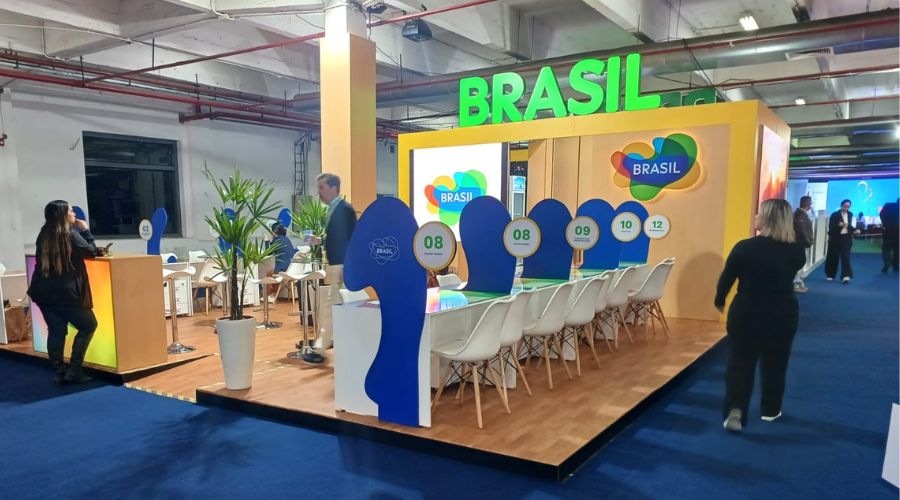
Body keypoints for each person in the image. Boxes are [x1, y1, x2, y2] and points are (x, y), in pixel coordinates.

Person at [715, 199, 806, 433]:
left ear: (767, 218)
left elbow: (727, 278)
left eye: (759, 213)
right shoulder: (796, 250)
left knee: (740, 363)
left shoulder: (744, 247)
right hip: (782, 313)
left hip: (746, 312)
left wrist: (720, 299)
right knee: (776, 363)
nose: (755, 217)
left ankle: (736, 408)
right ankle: (770, 410)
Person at [26, 200, 105, 384]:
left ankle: (59, 372)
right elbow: (91, 252)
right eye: (71, 211)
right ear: (63, 215)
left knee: (56, 330)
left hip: (42, 292)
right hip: (66, 294)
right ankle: (74, 370)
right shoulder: (71, 235)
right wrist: (85, 230)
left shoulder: (43, 234)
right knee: (88, 325)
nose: (74, 214)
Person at [308, 173, 357, 357]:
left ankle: (321, 349)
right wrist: (320, 240)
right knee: (336, 308)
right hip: (339, 265)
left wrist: (347, 266)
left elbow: (351, 240)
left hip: (342, 266)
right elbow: (339, 238)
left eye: (322, 187)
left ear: (333, 188)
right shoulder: (336, 209)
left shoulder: (344, 210)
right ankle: (331, 348)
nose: (319, 192)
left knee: (331, 308)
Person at [825, 199, 860, 283]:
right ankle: (830, 275)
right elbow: (831, 227)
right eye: (845, 206)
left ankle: (846, 276)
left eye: (848, 206)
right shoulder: (834, 215)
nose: (846, 208)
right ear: (841, 206)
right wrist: (838, 225)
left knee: (846, 257)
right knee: (833, 257)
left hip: (846, 238)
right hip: (835, 238)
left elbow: (849, 225)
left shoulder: (850, 214)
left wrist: (855, 230)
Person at [266, 222, 296, 301]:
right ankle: (273, 293)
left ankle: (272, 294)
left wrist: (266, 241)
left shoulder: (277, 240)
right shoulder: (286, 239)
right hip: (292, 268)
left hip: (283, 268)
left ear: (273, 232)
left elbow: (268, 253)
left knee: (268, 274)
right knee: (272, 271)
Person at [792, 196, 814, 293]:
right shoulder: (801, 216)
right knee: (798, 264)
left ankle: (798, 283)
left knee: (798, 264)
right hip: (800, 244)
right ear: (809, 204)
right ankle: (796, 284)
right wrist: (808, 241)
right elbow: (802, 232)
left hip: (799, 244)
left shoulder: (798, 214)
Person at [880, 199, 899, 273]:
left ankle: (887, 263)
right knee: (897, 249)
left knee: (886, 248)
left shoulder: (888, 205)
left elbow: (881, 214)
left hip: (888, 231)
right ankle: (896, 266)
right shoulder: (888, 205)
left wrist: (885, 224)